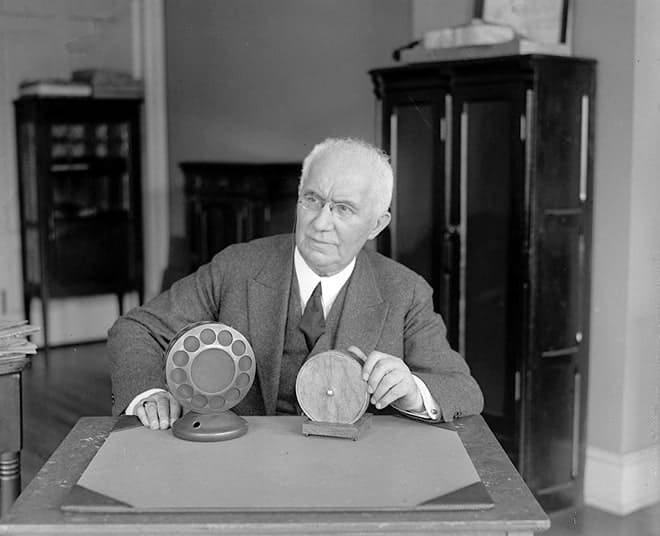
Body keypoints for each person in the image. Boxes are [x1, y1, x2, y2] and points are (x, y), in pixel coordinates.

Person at [108, 137, 483, 429]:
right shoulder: (236, 267)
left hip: (353, 476)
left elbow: (463, 388)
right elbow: (137, 328)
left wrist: (413, 391)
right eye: (312, 200)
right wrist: (149, 392)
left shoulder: (405, 291)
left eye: (343, 209)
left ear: (377, 225)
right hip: (243, 467)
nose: (321, 223)